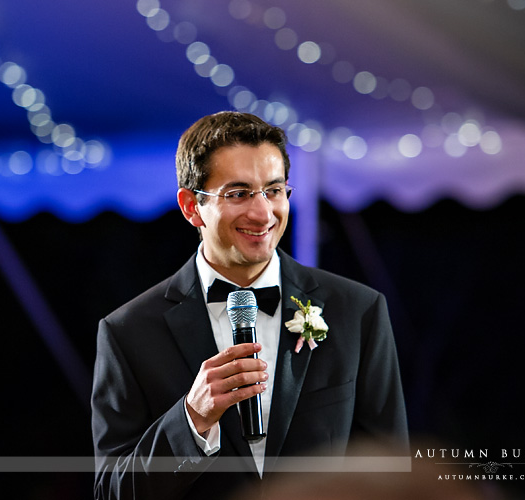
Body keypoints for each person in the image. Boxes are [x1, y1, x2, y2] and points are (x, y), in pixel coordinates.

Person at [91, 111, 408, 500]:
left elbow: (391, 474)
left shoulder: (358, 311)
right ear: (191, 206)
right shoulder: (130, 331)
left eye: (274, 190)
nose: (262, 214)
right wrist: (192, 420)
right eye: (239, 193)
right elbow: (112, 491)